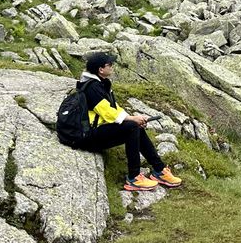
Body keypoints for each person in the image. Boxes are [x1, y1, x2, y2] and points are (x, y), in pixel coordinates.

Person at [75, 51, 182, 192]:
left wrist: (133, 118)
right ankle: (134, 178)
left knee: (135, 126)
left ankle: (159, 169)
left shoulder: (102, 83)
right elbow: (107, 112)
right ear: (101, 69)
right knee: (132, 127)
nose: (112, 67)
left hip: (97, 130)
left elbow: (114, 108)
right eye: (110, 64)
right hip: (88, 136)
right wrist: (132, 119)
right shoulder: (92, 87)